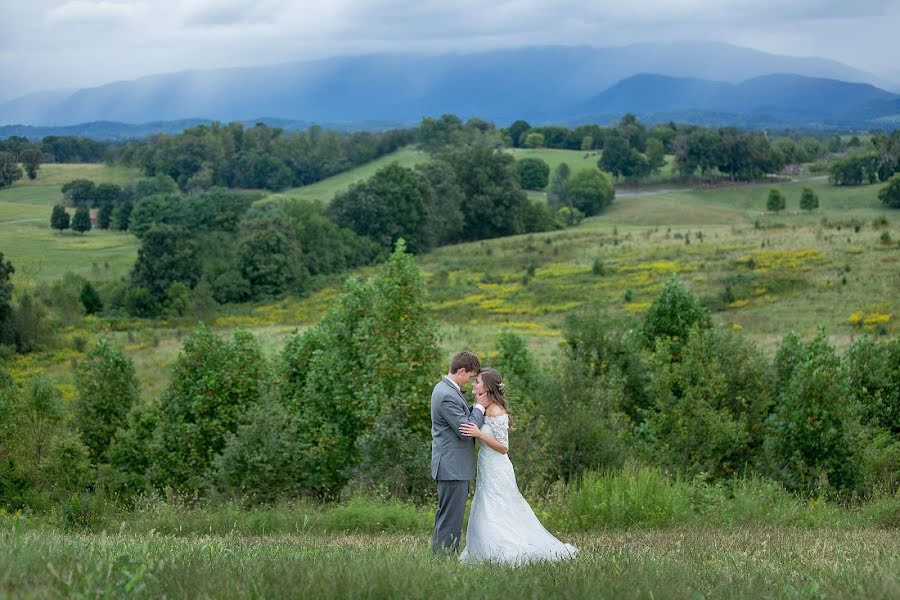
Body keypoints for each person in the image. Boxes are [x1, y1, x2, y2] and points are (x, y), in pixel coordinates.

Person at [459, 368, 577, 564]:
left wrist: (480, 435)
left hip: (497, 467)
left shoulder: (498, 411)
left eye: (477, 381)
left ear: (487, 386)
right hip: (485, 466)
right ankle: (485, 550)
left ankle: (507, 548)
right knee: (485, 504)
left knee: (499, 506)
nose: (474, 384)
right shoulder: (483, 407)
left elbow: (504, 448)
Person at [431, 351, 485, 555]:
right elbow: (465, 430)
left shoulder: (445, 389)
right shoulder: (446, 395)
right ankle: (444, 558)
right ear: (462, 371)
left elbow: (461, 415)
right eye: (471, 376)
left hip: (451, 465)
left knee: (447, 516)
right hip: (452, 467)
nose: (471, 380)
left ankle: (440, 556)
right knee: (450, 518)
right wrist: (480, 407)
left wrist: (476, 408)